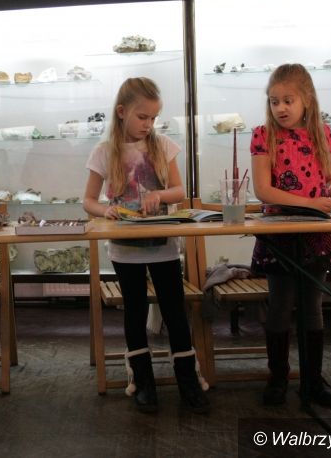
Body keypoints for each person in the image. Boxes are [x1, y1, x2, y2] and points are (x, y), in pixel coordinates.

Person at [83, 77, 208, 414]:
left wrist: (159, 195)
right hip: (125, 248)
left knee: (174, 310)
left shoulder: (162, 145)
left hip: (164, 245)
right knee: (135, 311)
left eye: (153, 118)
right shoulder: (104, 151)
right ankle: (143, 381)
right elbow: (88, 200)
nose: (148, 124)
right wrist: (105, 210)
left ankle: (188, 380)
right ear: (122, 112)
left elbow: (179, 191)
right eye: (142, 117)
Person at [249, 63, 331, 408]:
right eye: (274, 101)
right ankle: (278, 377)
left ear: (307, 100)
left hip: (315, 231)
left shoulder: (321, 134)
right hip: (280, 232)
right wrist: (311, 202)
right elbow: (263, 191)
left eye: (288, 100)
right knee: (280, 306)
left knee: (313, 306)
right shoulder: (263, 135)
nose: (280, 108)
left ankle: (312, 380)